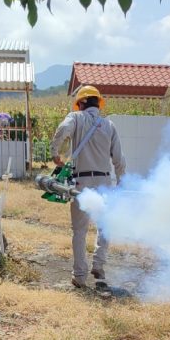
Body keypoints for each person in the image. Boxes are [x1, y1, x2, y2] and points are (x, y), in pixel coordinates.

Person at [50, 85, 126, 289]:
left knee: (80, 231)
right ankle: (99, 265)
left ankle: (80, 276)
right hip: (104, 183)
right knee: (104, 226)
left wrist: (55, 152)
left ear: (81, 103)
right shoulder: (109, 125)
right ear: (98, 103)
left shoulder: (76, 118)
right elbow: (119, 158)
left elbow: (62, 130)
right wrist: (121, 181)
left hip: (81, 183)